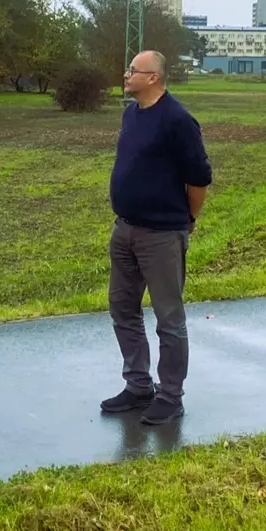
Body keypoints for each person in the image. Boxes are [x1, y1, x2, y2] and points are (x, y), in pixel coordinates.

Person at [101, 50, 213, 426]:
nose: (126, 74)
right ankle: (138, 386)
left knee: (169, 318)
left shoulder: (178, 120)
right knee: (123, 308)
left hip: (163, 235)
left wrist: (188, 219)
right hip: (126, 228)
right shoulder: (131, 113)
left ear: (153, 78)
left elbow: (199, 179)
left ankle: (170, 395)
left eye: (133, 70)